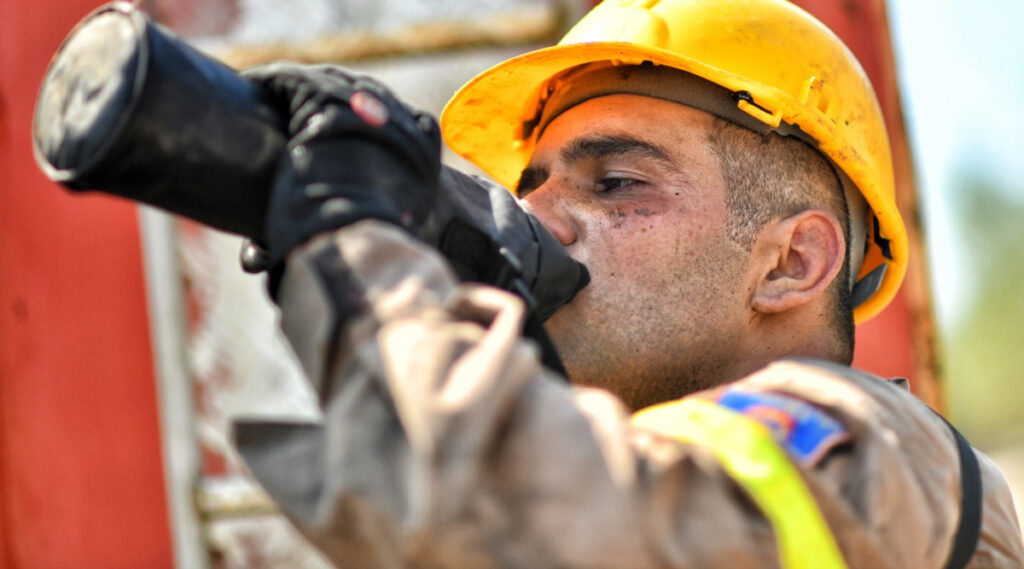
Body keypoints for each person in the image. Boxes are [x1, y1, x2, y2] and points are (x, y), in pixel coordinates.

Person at [228, 0, 1024, 567]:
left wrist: (353, 245)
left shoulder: (876, 449)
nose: (542, 222)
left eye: (614, 183)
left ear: (791, 263)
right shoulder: (641, 484)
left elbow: (482, 507)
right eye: (530, 188)